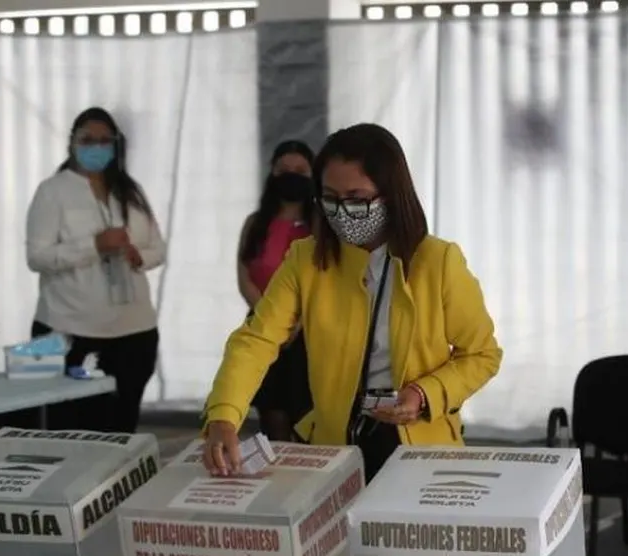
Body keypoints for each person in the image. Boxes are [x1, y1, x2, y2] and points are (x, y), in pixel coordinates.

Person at [201, 123, 503, 481]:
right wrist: (223, 414)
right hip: (335, 446)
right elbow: (256, 339)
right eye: (329, 198)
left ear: (391, 195)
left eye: (357, 199)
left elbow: (482, 355)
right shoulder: (306, 258)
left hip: (421, 447)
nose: (341, 212)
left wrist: (425, 394)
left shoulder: (438, 261)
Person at [27, 106, 166, 433]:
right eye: (88, 140)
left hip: (134, 329)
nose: (96, 147)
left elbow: (158, 248)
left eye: (105, 141)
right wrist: (94, 246)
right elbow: (37, 257)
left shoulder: (130, 191)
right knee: (76, 428)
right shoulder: (53, 192)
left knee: (122, 425)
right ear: (72, 144)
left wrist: (138, 256)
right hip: (71, 328)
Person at [235, 140, 316, 441]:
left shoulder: (321, 226)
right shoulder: (255, 224)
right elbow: (245, 277)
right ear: (271, 173)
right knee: (272, 416)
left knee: (310, 418)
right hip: (262, 328)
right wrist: (270, 318)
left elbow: (326, 281)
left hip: (310, 334)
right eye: (284, 170)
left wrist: (298, 324)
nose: (291, 175)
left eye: (300, 170)